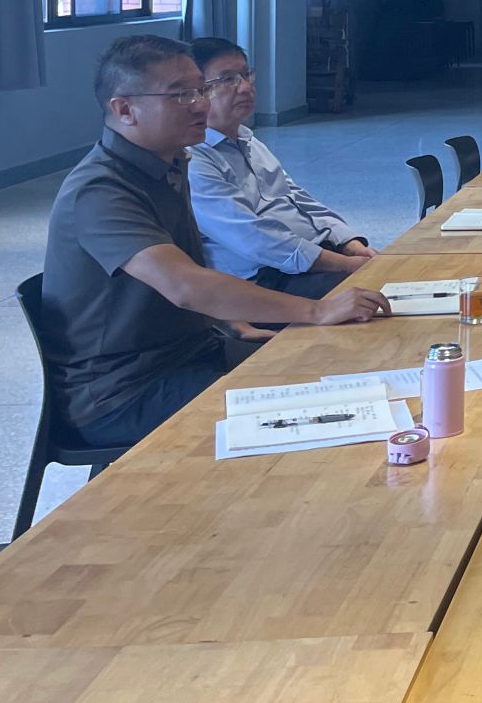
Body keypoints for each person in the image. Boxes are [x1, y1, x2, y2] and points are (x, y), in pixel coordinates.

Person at [37, 36, 391, 447]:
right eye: (180, 95)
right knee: (316, 414)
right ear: (124, 109)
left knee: (343, 372)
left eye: (200, 90)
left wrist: (227, 321)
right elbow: (184, 285)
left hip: (192, 350)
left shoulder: (172, 161)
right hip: (125, 390)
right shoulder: (100, 191)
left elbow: (193, 263)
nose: (200, 104)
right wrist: (316, 310)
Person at [185, 37, 377, 299]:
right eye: (228, 80)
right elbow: (252, 238)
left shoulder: (247, 140)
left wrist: (348, 242)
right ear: (198, 92)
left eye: (246, 75)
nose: (245, 88)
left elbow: (296, 198)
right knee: (377, 293)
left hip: (313, 258)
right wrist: (344, 265)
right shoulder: (194, 160)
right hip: (267, 279)